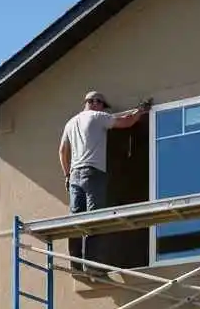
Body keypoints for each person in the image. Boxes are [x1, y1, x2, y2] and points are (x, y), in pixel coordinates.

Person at [58, 90, 150, 275]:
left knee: (76, 220)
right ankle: (92, 265)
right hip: (93, 173)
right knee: (94, 219)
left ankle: (76, 265)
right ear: (95, 102)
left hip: (75, 175)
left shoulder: (71, 123)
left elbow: (62, 151)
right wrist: (141, 111)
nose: (103, 109)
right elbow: (126, 122)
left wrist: (67, 175)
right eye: (101, 105)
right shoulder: (97, 117)